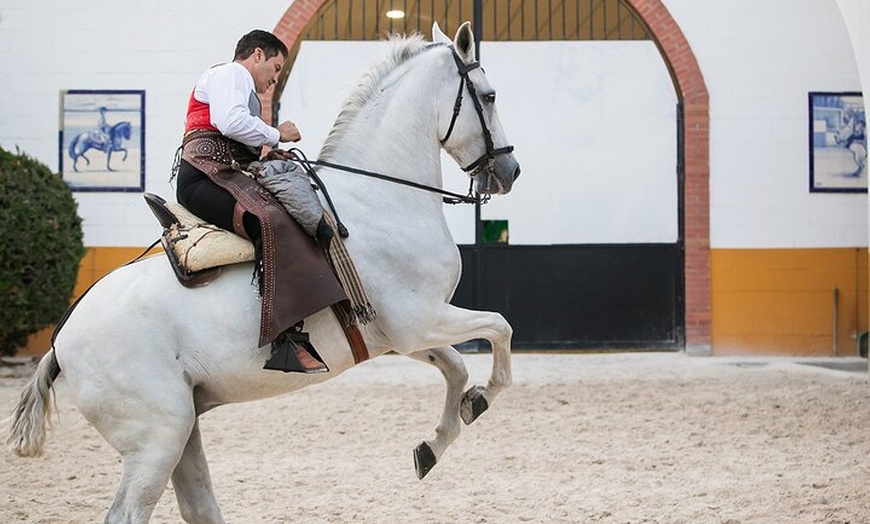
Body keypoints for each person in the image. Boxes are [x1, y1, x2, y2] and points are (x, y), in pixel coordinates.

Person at [175, 29, 335, 374]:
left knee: (282, 215)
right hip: (204, 176)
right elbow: (229, 122)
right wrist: (278, 133)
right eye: (275, 69)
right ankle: (284, 338)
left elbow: (236, 130)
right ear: (257, 55)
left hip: (220, 173)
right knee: (271, 221)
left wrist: (269, 148)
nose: (273, 80)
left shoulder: (239, 85)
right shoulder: (231, 73)